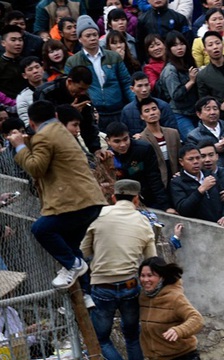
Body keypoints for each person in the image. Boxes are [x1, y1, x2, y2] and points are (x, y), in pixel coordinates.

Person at [8, 100, 106, 288]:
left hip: (76, 203)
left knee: (41, 229)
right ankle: (85, 293)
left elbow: (36, 168)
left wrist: (20, 146)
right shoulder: (61, 131)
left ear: (31, 122)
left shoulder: (44, 136)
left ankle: (73, 265)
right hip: (90, 200)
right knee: (70, 247)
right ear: (56, 116)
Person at [80, 179, 154, 360]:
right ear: (136, 199)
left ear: (113, 197)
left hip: (102, 286)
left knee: (99, 338)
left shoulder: (99, 216)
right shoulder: (143, 222)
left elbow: (83, 252)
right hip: (131, 286)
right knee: (132, 336)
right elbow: (151, 261)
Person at [64, 15, 134, 130]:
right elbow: (69, 88)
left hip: (118, 110)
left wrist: (135, 105)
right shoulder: (73, 62)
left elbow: (126, 83)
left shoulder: (113, 56)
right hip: (94, 114)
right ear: (80, 39)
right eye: (88, 35)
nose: (92, 38)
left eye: (95, 34)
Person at [105, 121, 173, 211]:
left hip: (148, 197)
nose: (123, 144)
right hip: (122, 202)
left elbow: (154, 178)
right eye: (117, 141)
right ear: (108, 141)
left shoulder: (143, 149)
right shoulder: (107, 157)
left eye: (125, 139)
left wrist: (166, 207)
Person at [170, 144, 224, 225]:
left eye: (198, 158)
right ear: (181, 162)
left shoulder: (211, 175)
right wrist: (201, 190)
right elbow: (183, 210)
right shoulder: (177, 182)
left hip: (220, 225)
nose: (196, 162)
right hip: (198, 228)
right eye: (191, 159)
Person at [159, 31, 199, 140]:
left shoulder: (188, 63)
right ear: (169, 49)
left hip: (195, 111)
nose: (180, 48)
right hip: (180, 113)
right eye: (175, 45)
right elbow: (176, 95)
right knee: (194, 140)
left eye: (182, 44)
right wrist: (191, 81)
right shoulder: (170, 70)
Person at [185, 96, 224, 170]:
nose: (212, 112)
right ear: (199, 114)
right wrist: (213, 149)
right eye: (208, 109)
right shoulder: (193, 136)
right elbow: (194, 159)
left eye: (215, 109)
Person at [138, 97, 181, 187]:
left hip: (176, 180)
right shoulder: (141, 139)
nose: (152, 113)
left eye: (154, 109)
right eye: (147, 111)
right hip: (156, 184)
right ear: (142, 116)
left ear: (159, 111)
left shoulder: (173, 133)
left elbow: (180, 157)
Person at [0, 25, 28, 100]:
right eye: (13, 40)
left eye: (20, 40)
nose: (18, 43)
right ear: (3, 43)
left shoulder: (26, 62)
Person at [15, 57, 45, 127]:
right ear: (24, 75)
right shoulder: (22, 97)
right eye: (30, 69)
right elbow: (26, 123)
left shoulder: (53, 87)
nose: (35, 71)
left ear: (43, 69)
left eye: (37, 67)